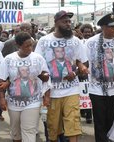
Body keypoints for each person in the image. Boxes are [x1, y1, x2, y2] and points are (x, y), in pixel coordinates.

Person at [35, 10, 89, 142]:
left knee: (73, 122)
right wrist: (44, 76)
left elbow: (84, 61)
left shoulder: (75, 41)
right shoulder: (44, 41)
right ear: (56, 22)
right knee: (53, 126)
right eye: (65, 21)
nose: (68, 24)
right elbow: (37, 63)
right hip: (51, 91)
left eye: (69, 21)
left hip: (71, 89)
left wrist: (76, 72)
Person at [0, 32, 50, 142]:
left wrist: (46, 96)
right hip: (14, 103)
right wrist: (2, 99)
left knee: (29, 130)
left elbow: (46, 78)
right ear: (18, 46)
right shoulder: (9, 59)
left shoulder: (38, 58)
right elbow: (1, 80)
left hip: (33, 101)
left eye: (31, 45)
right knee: (16, 133)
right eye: (27, 46)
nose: (30, 48)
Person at [84, 13, 114, 142]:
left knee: (111, 120)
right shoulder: (91, 42)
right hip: (97, 89)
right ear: (103, 28)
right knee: (100, 121)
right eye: (111, 27)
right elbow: (85, 62)